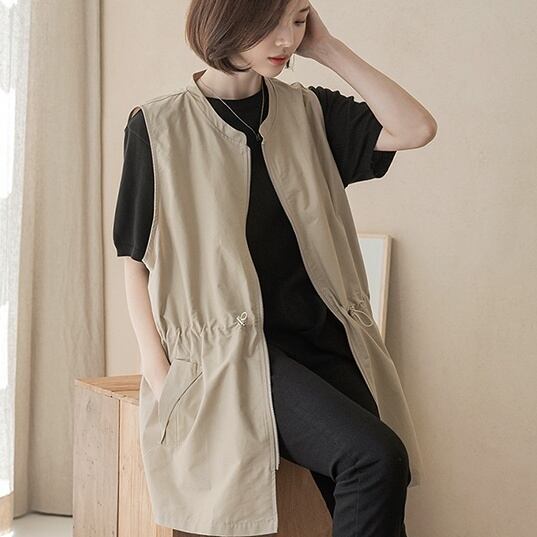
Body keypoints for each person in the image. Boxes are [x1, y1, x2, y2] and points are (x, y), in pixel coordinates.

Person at [113, 1, 436, 536]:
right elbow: (134, 259)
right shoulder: (159, 126)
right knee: (374, 457)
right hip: (239, 354)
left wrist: (327, 48)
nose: (288, 38)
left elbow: (416, 128)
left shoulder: (311, 111)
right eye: (272, 23)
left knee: (382, 471)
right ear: (229, 21)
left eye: (299, 20)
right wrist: (159, 371)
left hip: (326, 341)